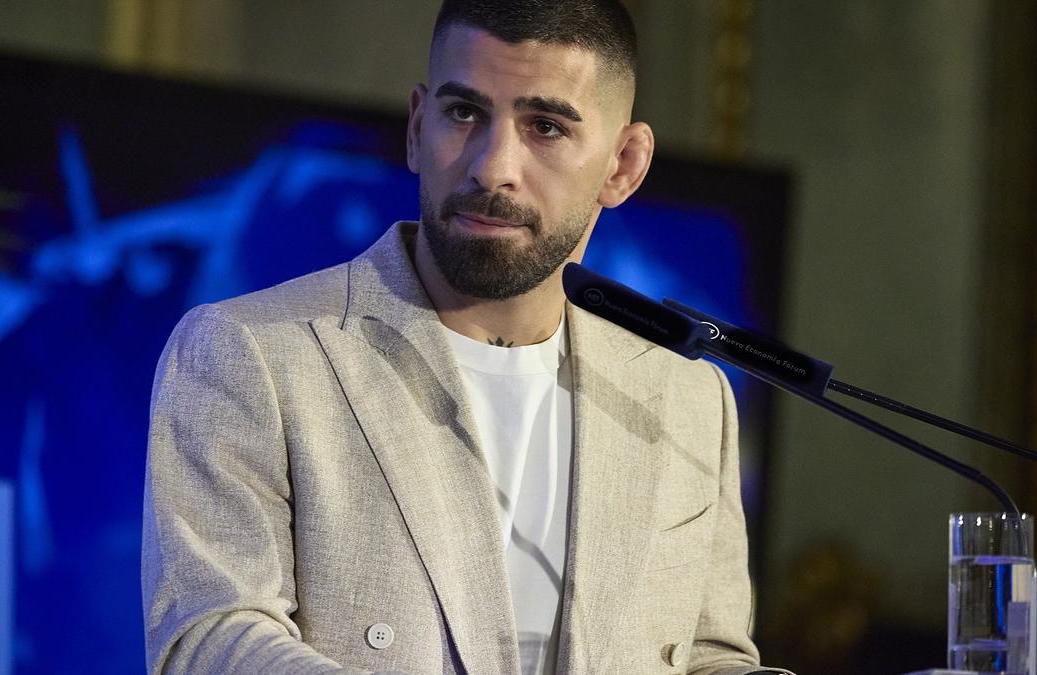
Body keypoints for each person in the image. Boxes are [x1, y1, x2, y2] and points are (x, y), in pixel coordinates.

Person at [142, 1, 793, 673]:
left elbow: (712, 657)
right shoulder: (250, 352)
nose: (492, 166)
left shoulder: (688, 394)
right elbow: (212, 640)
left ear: (623, 164)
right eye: (464, 114)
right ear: (418, 126)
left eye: (545, 126)